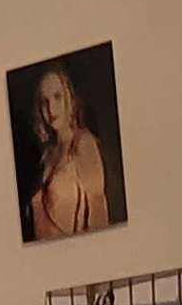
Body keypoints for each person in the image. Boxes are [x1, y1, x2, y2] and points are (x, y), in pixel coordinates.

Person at [21, 63, 114, 240]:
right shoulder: (46, 156)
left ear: (68, 98)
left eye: (57, 97)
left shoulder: (83, 143)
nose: (51, 108)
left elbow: (98, 214)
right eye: (44, 102)